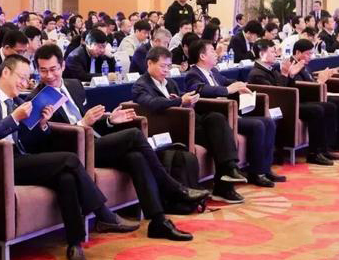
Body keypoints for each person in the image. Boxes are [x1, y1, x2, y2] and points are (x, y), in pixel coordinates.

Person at [0, 54, 140, 260]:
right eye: (22, 78)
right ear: (6, 72)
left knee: (67, 178)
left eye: (27, 79)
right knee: (69, 159)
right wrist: (14, 119)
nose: (24, 84)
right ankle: (103, 214)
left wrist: (42, 124)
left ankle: (75, 244)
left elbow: (30, 143)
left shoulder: (20, 102)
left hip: (20, 160)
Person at [33, 44, 206, 240]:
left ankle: (158, 222)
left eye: (53, 69)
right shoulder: (37, 99)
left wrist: (109, 120)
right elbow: (49, 140)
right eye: (43, 71)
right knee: (133, 135)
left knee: (136, 157)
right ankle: (172, 187)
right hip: (73, 152)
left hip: (94, 142)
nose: (49, 75)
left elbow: (92, 120)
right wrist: (82, 124)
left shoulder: (74, 85)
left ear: (63, 66)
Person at [133, 46, 248, 203]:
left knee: (216, 118)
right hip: (167, 129)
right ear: (149, 63)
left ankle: (229, 168)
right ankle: (224, 185)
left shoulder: (170, 83)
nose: (166, 70)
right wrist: (179, 101)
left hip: (185, 123)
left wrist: (188, 101)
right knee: (217, 138)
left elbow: (180, 99)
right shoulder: (141, 85)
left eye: (168, 66)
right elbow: (152, 104)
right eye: (162, 66)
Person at [185, 40, 284, 187]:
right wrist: (228, 90)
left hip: (228, 113)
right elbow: (201, 89)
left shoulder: (213, 72)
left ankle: (265, 168)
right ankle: (256, 173)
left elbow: (227, 81)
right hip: (215, 119)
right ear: (202, 56)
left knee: (268, 122)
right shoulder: (193, 74)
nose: (216, 54)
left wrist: (239, 85)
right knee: (257, 125)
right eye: (212, 51)